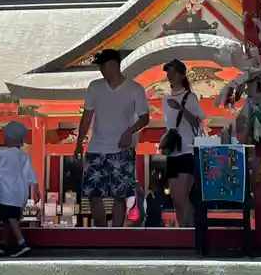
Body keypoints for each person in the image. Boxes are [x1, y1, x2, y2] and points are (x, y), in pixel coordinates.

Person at [73, 49, 149, 227]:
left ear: (114, 65)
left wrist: (130, 131)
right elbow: (87, 117)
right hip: (96, 147)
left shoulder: (134, 89)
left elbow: (145, 117)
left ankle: (116, 234)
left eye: (103, 66)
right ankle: (101, 232)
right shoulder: (94, 87)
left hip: (122, 149)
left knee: (119, 195)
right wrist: (79, 143)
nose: (100, 70)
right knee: (93, 194)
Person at [160, 58, 205, 227]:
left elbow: (197, 123)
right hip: (173, 151)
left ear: (181, 75)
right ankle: (184, 230)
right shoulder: (165, 99)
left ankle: (192, 229)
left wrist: (181, 108)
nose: (169, 75)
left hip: (187, 150)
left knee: (181, 197)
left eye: (173, 72)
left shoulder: (190, 97)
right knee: (175, 199)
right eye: (168, 72)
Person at [0, 120, 40, 257]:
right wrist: (36, 188)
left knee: (10, 218)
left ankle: (22, 243)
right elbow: (31, 173)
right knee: (10, 219)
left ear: (9, 138)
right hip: (19, 192)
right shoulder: (23, 156)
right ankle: (3, 244)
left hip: (7, 192)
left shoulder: (4, 153)